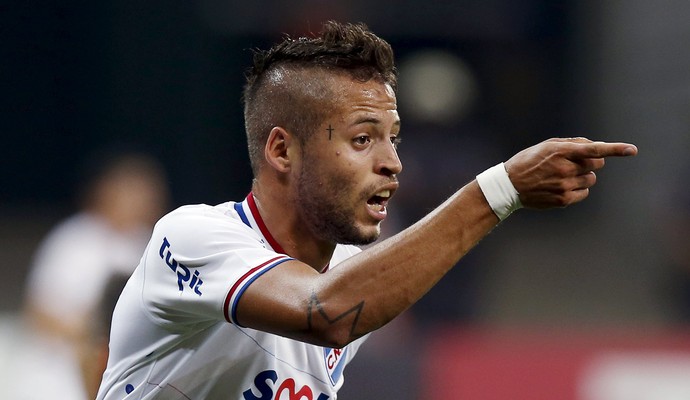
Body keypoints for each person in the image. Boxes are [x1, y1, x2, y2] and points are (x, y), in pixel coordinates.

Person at [96, 21, 637, 400]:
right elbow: (324, 313)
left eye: (394, 139)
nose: (393, 164)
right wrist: (501, 189)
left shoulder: (354, 271)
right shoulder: (191, 236)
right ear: (283, 150)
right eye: (362, 138)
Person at [22, 150, 169, 399]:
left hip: (127, 370)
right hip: (61, 369)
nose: (142, 200)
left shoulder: (151, 243)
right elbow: (39, 313)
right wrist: (95, 332)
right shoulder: (75, 238)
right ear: (107, 192)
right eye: (133, 191)